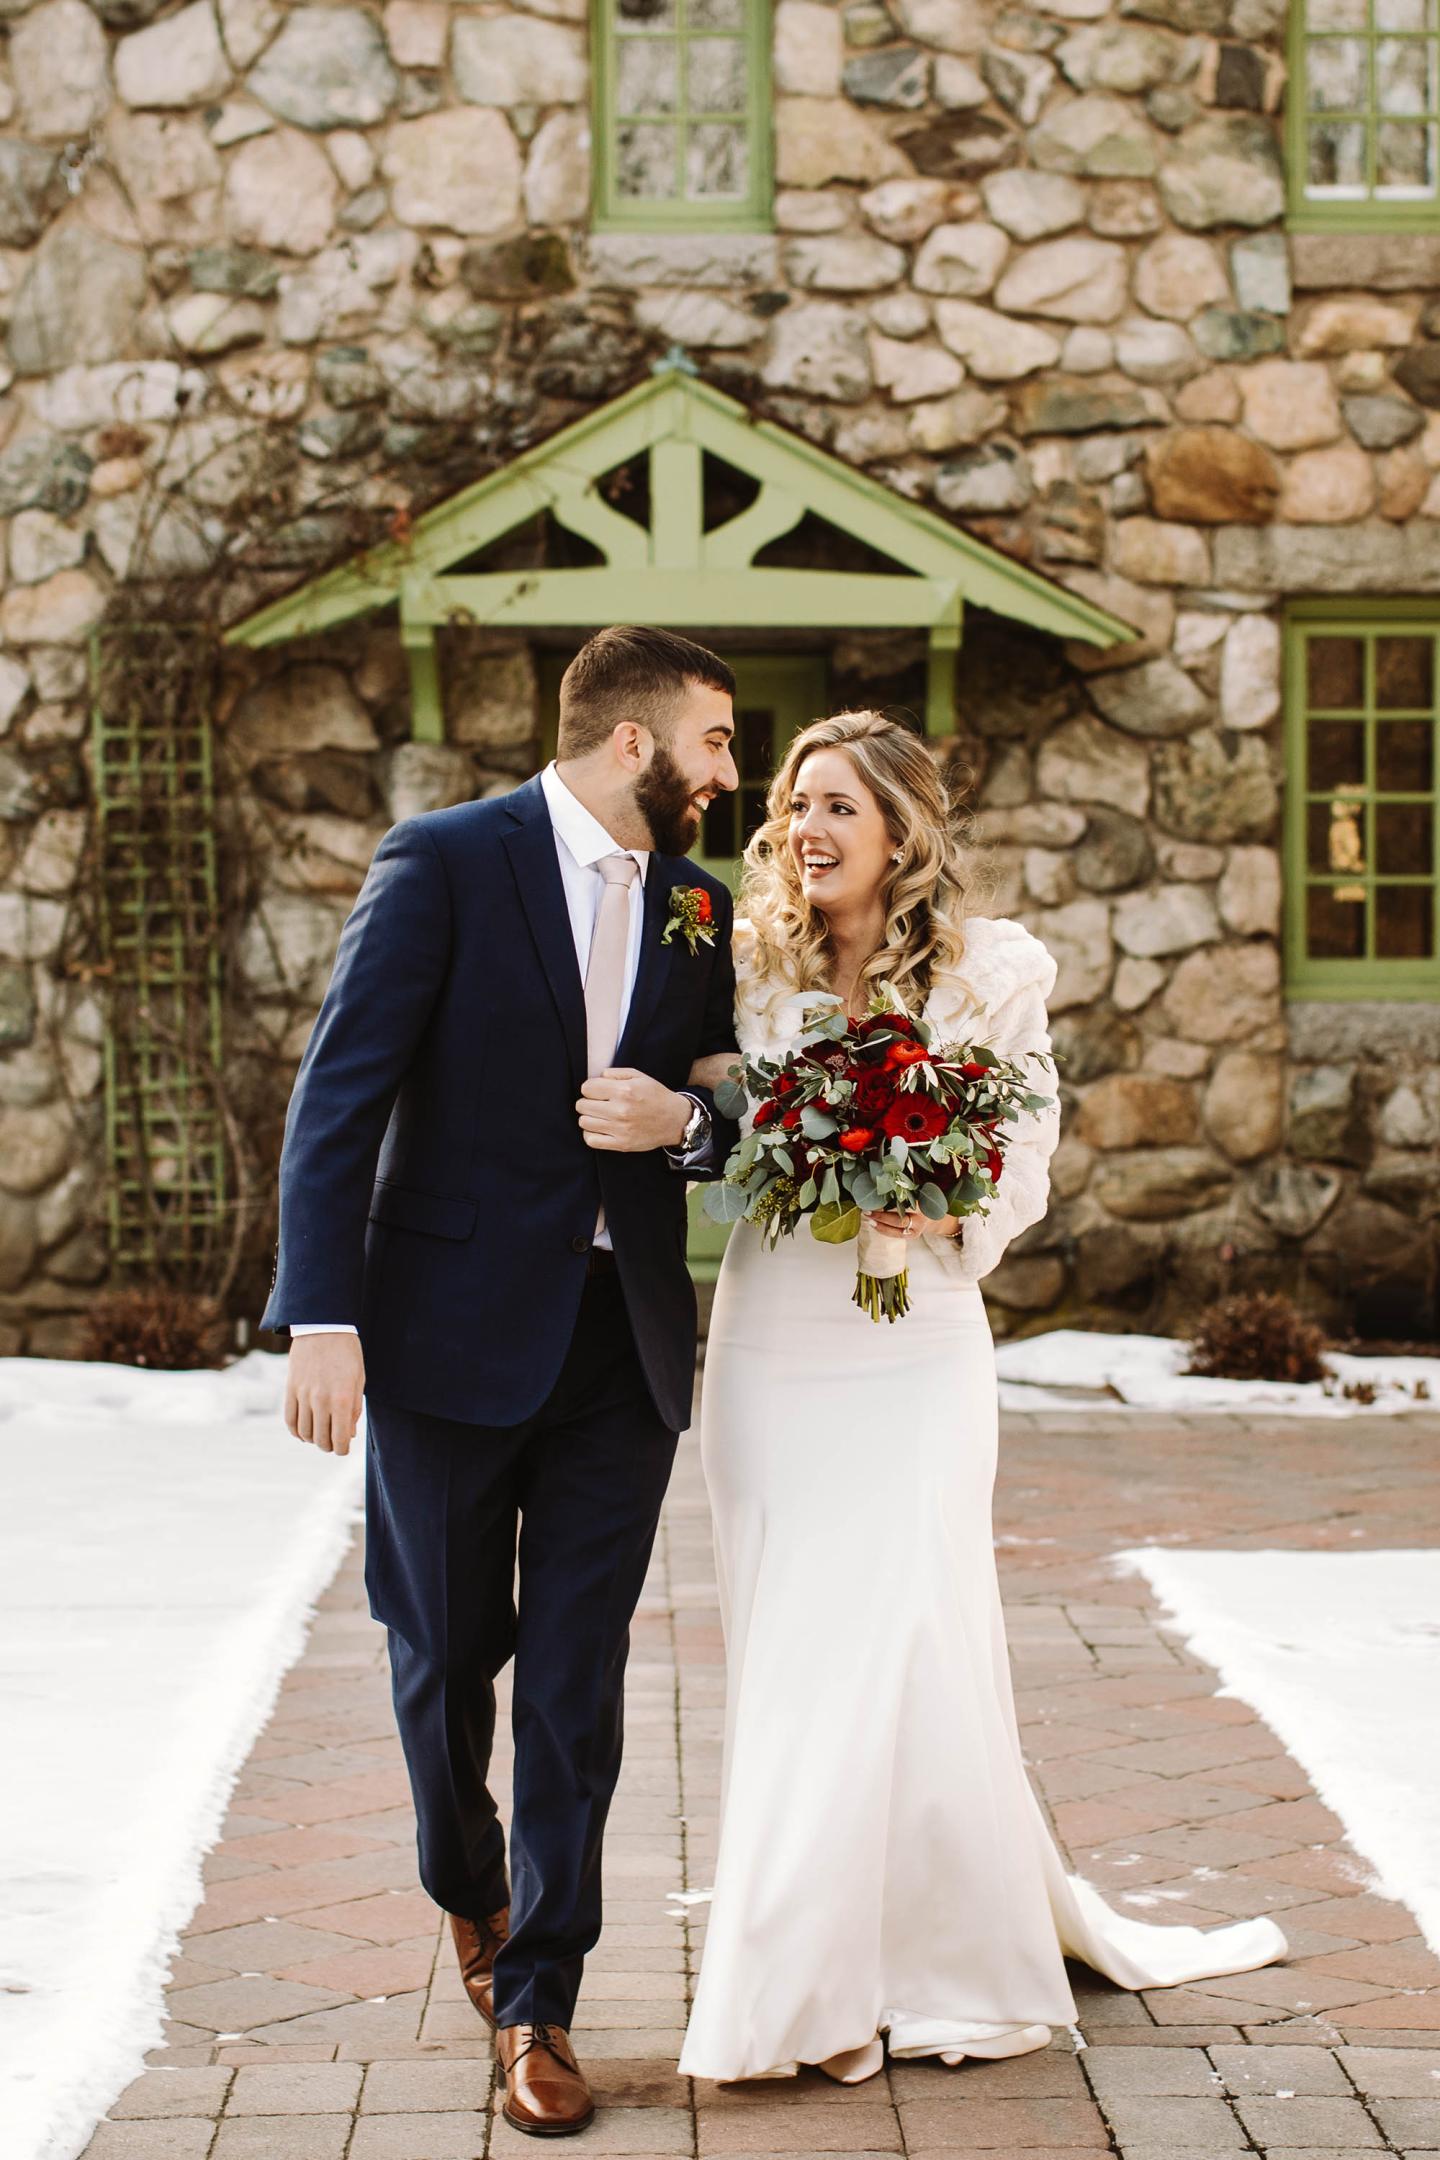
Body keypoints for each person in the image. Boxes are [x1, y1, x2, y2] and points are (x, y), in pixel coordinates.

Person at [678, 710, 1287, 2085]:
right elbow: (717, 1108)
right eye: (795, 803)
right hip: (778, 1333)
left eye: (840, 806)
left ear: (903, 829)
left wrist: (921, 1198)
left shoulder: (992, 972)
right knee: (798, 1642)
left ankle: (936, 1957)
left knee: (906, 1630)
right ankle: (809, 1969)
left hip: (916, 1335)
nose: (809, 829)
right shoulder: (745, 959)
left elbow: (1020, 1156)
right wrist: (753, 1124)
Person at [265, 625, 741, 2138]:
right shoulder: (446, 860)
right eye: (716, 742)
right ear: (632, 745)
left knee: (579, 1686)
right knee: (443, 1649)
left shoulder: (697, 906)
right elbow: (340, 1090)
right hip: (446, 1337)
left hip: (625, 1348)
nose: (729, 772)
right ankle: (463, 1884)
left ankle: (540, 1998)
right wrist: (319, 1314)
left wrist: (680, 1121)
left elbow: (724, 1104)